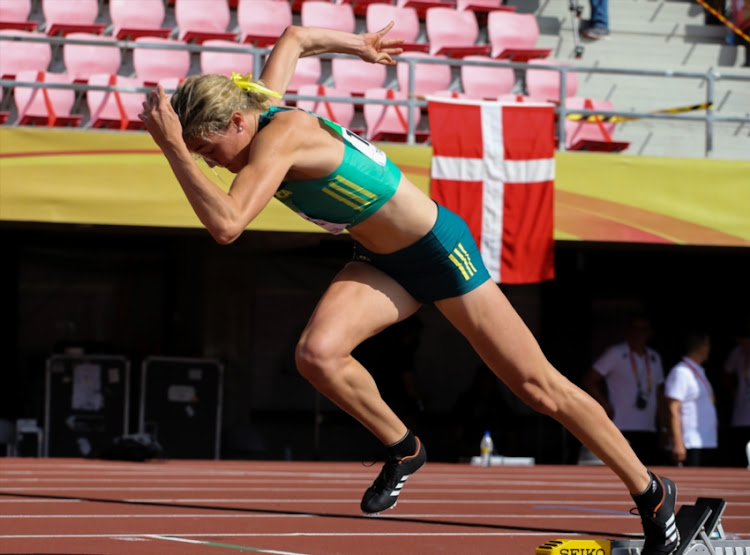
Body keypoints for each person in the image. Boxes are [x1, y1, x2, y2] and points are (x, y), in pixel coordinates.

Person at [139, 23, 679, 554]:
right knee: (317, 355)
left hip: (439, 252)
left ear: (237, 122)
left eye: (208, 149)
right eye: (200, 155)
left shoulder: (279, 138)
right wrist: (360, 45)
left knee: (538, 388)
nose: (210, 162)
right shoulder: (259, 105)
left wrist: (173, 151)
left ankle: (651, 490)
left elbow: (227, 225)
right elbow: (295, 37)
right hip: (381, 258)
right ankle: (405, 446)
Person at [582, 314, 667, 465]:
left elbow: (659, 393)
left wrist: (663, 427)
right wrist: (605, 405)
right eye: (635, 329)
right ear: (628, 331)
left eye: (643, 330)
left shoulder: (654, 357)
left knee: (648, 472)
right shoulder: (615, 353)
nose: (639, 333)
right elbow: (589, 380)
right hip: (621, 426)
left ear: (649, 333)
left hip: (648, 428)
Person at [664, 330, 718, 467]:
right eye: (708, 345)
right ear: (700, 347)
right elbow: (672, 408)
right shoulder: (681, 372)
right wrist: (677, 442)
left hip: (706, 440)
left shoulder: (698, 371)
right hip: (690, 441)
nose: (710, 349)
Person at [721, 319, 750, 467]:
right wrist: (733, 392)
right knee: (740, 458)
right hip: (741, 416)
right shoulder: (737, 353)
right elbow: (726, 373)